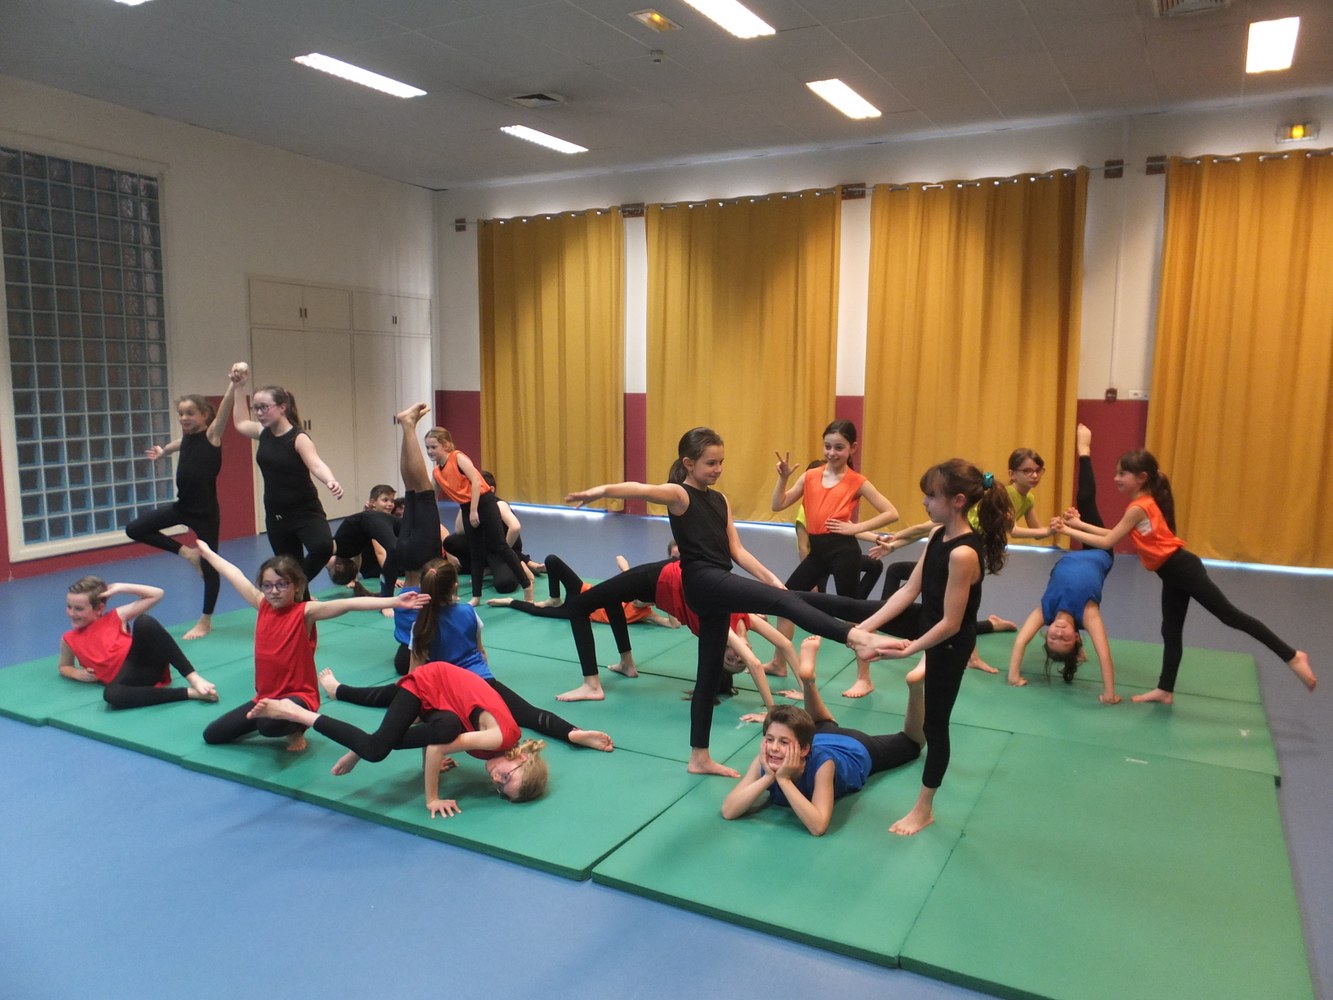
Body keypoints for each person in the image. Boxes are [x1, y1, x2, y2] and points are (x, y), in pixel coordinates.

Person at [567, 427, 882, 777]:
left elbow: (737, 550)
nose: (718, 469)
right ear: (689, 464)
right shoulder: (680, 494)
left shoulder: (720, 500)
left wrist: (771, 579)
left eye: (721, 462)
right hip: (702, 583)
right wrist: (600, 492)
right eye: (710, 463)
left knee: (707, 675)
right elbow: (640, 489)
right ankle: (852, 636)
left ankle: (699, 757)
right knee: (784, 603)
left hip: (716, 585)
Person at [1053, 449, 1315, 703]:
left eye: (1122, 474)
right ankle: (1165, 690)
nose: (1116, 478)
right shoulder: (1142, 503)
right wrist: (1078, 524)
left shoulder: (1138, 507)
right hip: (1172, 572)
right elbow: (1114, 533)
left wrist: (1067, 530)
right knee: (1170, 629)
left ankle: (1292, 656)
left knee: (1229, 615)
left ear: (1141, 477)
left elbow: (1108, 541)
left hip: (1182, 568)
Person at [861, 459, 1013, 835]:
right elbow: (909, 590)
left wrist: (909, 649)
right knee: (850, 611)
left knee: (936, 725)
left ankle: (924, 808)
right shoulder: (936, 535)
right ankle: (791, 601)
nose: (924, 502)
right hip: (926, 621)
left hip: (949, 643)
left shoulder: (964, 553)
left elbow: (951, 623)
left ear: (957, 500)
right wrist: (864, 628)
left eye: (931, 496)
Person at [489, 548, 789, 711]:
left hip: (658, 580)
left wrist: (771, 711)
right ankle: (627, 664)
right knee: (611, 597)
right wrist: (804, 682)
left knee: (579, 607)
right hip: (661, 578)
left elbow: (752, 663)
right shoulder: (746, 619)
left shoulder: (723, 629)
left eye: (731, 660)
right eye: (736, 659)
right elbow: (786, 646)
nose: (737, 656)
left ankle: (592, 685)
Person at [250, 660, 564, 816]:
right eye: (506, 777)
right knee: (376, 750)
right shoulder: (497, 739)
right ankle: (296, 713)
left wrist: (430, 761)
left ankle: (340, 696)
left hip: (443, 699)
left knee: (428, 724)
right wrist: (432, 799)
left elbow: (440, 734)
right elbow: (436, 747)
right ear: (523, 758)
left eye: (499, 787)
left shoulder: (507, 743)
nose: (495, 779)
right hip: (432, 683)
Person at [195, 540, 428, 750]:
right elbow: (234, 574)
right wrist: (207, 552)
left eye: (281, 584)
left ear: (296, 586)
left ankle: (297, 728)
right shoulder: (262, 605)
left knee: (267, 726)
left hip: (298, 697)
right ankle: (275, 716)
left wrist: (395, 601)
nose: (274, 591)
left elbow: (350, 605)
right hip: (265, 697)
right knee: (212, 735)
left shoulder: (305, 613)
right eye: (267, 585)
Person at [721, 637, 923, 836]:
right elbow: (728, 810)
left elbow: (818, 826)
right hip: (818, 734)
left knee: (913, 743)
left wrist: (783, 780)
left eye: (783, 742)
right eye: (770, 739)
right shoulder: (766, 758)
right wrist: (767, 777)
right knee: (819, 724)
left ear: (804, 750)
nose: (773, 748)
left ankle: (915, 687)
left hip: (855, 747)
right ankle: (808, 681)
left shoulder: (824, 765)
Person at [768, 421, 899, 670]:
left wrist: (855, 528)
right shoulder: (810, 476)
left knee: (853, 612)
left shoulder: (857, 481)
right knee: (785, 600)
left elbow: (891, 513)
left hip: (843, 552)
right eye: (827, 446)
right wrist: (783, 479)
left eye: (839, 447)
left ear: (853, 448)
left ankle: (864, 677)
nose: (831, 453)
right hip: (818, 552)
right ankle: (779, 663)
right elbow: (778, 504)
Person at [1007, 424, 1120, 703]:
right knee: (1086, 500)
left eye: (1052, 638)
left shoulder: (1046, 611)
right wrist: (1109, 694)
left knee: (1081, 508)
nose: (1058, 633)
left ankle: (1077, 522)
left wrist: (1013, 676)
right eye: (1065, 638)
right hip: (1100, 550)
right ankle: (1084, 450)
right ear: (1078, 636)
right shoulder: (1087, 613)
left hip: (1073, 554)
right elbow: (1104, 654)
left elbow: (1020, 641)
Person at [124, 387, 237, 639]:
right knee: (134, 529)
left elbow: (225, 411)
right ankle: (187, 553)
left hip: (206, 514)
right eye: (181, 414)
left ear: (205, 415)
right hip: (182, 507)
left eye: (190, 413)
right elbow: (179, 444)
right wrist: (164, 450)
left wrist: (234, 385)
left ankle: (205, 621)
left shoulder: (212, 436)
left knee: (210, 567)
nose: (184, 418)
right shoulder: (187, 439)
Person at [228, 362, 343, 592]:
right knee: (289, 565)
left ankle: (294, 585)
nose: (259, 413)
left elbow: (316, 464)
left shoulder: (298, 438)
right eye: (256, 408)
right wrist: (239, 386)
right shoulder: (263, 433)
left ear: (282, 407)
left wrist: (330, 480)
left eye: (264, 408)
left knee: (322, 547)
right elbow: (240, 423)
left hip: (306, 511)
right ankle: (298, 594)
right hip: (277, 515)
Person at [58, 576, 218, 708]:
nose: (71, 613)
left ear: (99, 609)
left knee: (144, 621)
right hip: (125, 681)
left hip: (144, 666)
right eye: (69, 607)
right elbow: (64, 666)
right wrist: (76, 674)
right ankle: (189, 693)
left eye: (78, 609)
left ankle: (193, 678)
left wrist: (121, 587)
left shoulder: (116, 616)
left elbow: (157, 594)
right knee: (111, 695)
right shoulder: (68, 638)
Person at [424, 426, 533, 606]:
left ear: (446, 445)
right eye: (427, 447)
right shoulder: (436, 473)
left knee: (500, 546)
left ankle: (527, 586)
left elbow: (475, 480)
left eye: (433, 447)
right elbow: (431, 496)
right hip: (467, 507)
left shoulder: (458, 457)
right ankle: (476, 595)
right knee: (476, 553)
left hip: (484, 502)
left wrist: (474, 510)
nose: (430, 451)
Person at [442, 472, 544, 593]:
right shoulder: (472, 505)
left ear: (491, 490)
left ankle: (519, 563)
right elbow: (459, 530)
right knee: (450, 542)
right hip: (486, 549)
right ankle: (492, 567)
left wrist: (503, 553)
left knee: (505, 584)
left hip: (501, 549)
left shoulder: (499, 505)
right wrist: (464, 503)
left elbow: (515, 527)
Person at [328, 491, 401, 598]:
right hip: (371, 520)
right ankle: (387, 596)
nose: (326, 567)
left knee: (398, 546)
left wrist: (355, 579)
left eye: (328, 570)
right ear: (339, 567)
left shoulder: (337, 549)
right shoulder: (348, 551)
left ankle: (387, 596)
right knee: (398, 546)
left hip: (370, 519)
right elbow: (363, 557)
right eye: (328, 570)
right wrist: (355, 579)